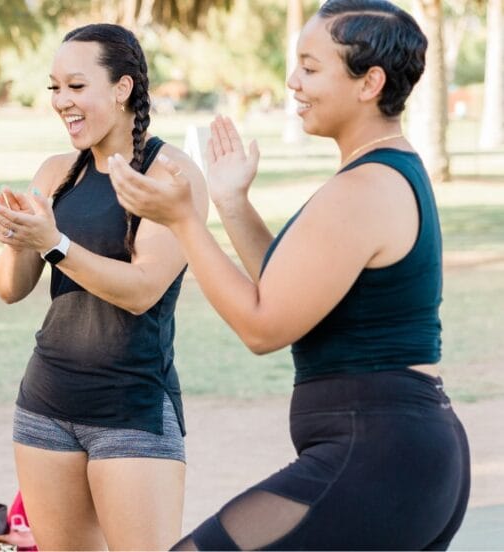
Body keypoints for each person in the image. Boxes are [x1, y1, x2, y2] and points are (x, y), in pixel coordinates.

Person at [108, 0, 470, 548]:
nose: (292, 80)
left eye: (310, 66)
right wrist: (231, 203)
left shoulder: (363, 189)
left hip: (377, 452)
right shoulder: (384, 171)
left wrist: (184, 221)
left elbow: (264, 327)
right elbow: (290, 292)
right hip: (405, 454)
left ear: (369, 82)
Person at [0, 23, 207, 550]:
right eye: (54, 88)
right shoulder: (57, 171)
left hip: (132, 412)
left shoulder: (171, 174)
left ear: (122, 88)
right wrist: (20, 239)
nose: (62, 101)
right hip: (44, 405)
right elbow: (9, 289)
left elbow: (142, 289)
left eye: (76, 86)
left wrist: (53, 240)